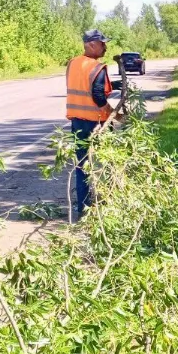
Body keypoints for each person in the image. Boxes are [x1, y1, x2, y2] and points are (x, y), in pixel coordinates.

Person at [65, 29, 121, 218]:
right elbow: (98, 96)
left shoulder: (73, 64)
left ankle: (83, 208)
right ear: (91, 44)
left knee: (82, 165)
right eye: (102, 43)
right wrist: (114, 114)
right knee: (109, 161)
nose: (105, 47)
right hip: (97, 124)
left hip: (77, 122)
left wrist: (117, 85)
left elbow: (85, 86)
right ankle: (112, 199)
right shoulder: (97, 67)